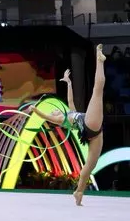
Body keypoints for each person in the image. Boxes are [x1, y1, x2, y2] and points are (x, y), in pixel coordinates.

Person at [24, 44, 106, 206]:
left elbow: (70, 101)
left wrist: (68, 82)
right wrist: (35, 109)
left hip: (94, 134)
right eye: (54, 112)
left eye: (55, 110)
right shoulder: (61, 120)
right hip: (90, 124)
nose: (55, 111)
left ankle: (79, 192)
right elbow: (46, 115)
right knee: (98, 90)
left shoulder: (68, 114)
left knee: (89, 167)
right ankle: (100, 59)